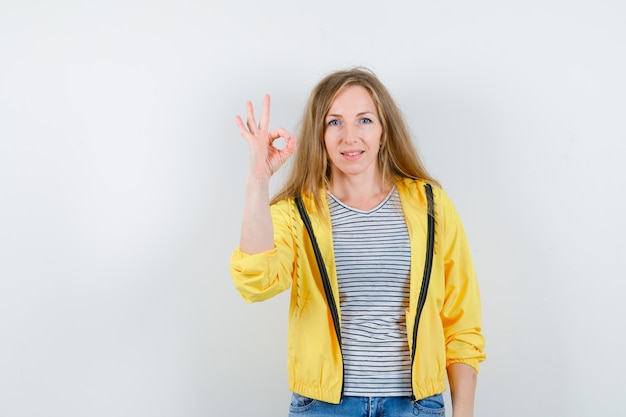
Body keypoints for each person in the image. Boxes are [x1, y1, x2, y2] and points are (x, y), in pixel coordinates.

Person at [230, 68, 486, 417]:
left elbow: (461, 319)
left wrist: (464, 412)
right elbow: (255, 282)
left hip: (415, 406)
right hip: (323, 406)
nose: (350, 136)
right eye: (334, 122)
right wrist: (258, 180)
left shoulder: (430, 204)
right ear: (319, 135)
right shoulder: (297, 212)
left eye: (364, 120)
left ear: (383, 132)